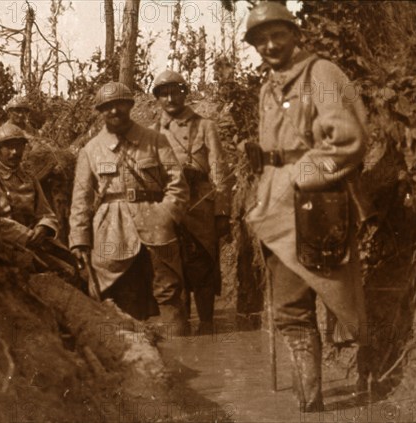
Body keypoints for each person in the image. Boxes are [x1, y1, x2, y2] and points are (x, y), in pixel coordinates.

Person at [243, 2, 375, 412]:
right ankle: (310, 404)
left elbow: (350, 140)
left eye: (277, 34)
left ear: (295, 34)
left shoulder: (322, 74)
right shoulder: (269, 86)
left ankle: (357, 379)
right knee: (289, 308)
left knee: (334, 300)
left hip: (318, 204)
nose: (269, 44)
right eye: (260, 39)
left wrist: (302, 174)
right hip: (276, 207)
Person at [68, 81, 190, 334]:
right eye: (107, 107)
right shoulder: (90, 151)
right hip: (110, 229)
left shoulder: (155, 140)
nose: (114, 111)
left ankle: (180, 352)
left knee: (167, 292)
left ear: (130, 105)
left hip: (156, 226)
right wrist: (79, 239)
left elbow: (177, 185)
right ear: (100, 111)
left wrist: (166, 215)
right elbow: (80, 199)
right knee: (114, 294)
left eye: (120, 104)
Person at [151, 70, 232, 334]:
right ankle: (180, 328)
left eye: (176, 91)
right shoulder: (151, 131)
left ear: (185, 93)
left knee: (204, 266)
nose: (171, 98)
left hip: (201, 205)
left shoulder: (205, 126)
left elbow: (219, 169)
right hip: (168, 206)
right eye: (164, 93)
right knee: (174, 267)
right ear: (158, 98)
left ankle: (207, 325)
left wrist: (221, 212)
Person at [0, 123, 76, 275]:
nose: (15, 152)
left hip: (35, 242)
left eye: (19, 146)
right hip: (5, 245)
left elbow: (46, 213)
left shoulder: (29, 177)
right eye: (8, 147)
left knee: (73, 266)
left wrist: (43, 228)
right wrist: (26, 235)